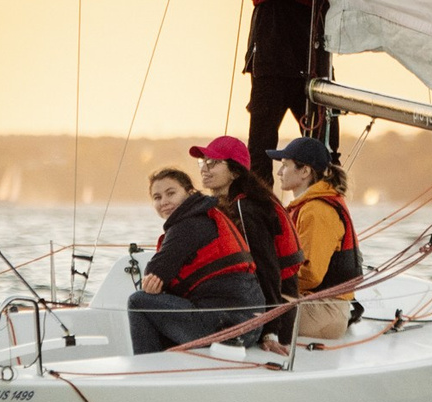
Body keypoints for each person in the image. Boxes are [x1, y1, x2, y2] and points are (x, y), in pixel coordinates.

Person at [126, 168, 266, 355]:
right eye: (157, 197)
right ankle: (167, 362)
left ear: (189, 192)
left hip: (225, 327)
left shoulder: (188, 224)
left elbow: (154, 274)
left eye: (171, 193)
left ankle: (148, 370)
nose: (164, 202)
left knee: (138, 301)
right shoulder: (205, 215)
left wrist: (156, 282)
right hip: (248, 326)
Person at [243, 0, 327, 183]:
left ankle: (319, 210)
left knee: (325, 147)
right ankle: (258, 216)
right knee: (262, 146)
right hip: (273, 50)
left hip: (313, 56)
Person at [191, 133, 300, 351]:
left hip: (274, 312)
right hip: (256, 304)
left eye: (212, 163)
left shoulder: (246, 209)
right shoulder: (232, 203)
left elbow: (268, 270)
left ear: (234, 171)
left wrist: (271, 331)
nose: (204, 169)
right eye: (203, 162)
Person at [271, 135, 360, 341]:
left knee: (243, 310)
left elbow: (311, 274)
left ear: (304, 171)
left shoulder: (317, 211)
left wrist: (267, 279)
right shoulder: (307, 206)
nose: (279, 172)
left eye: (285, 165)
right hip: (317, 305)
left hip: (324, 312)